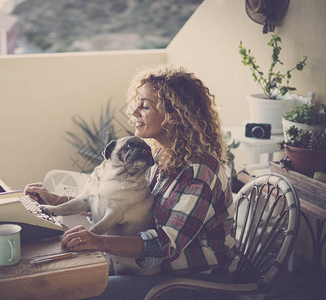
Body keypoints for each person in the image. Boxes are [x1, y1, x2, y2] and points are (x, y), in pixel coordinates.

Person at [25, 66, 238, 299]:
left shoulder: (199, 171)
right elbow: (122, 207)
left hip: (196, 281)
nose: (134, 111)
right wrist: (55, 200)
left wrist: (98, 241)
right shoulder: (161, 157)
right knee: (65, 278)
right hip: (154, 270)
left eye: (145, 106)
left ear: (174, 115)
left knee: (80, 290)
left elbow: (164, 245)